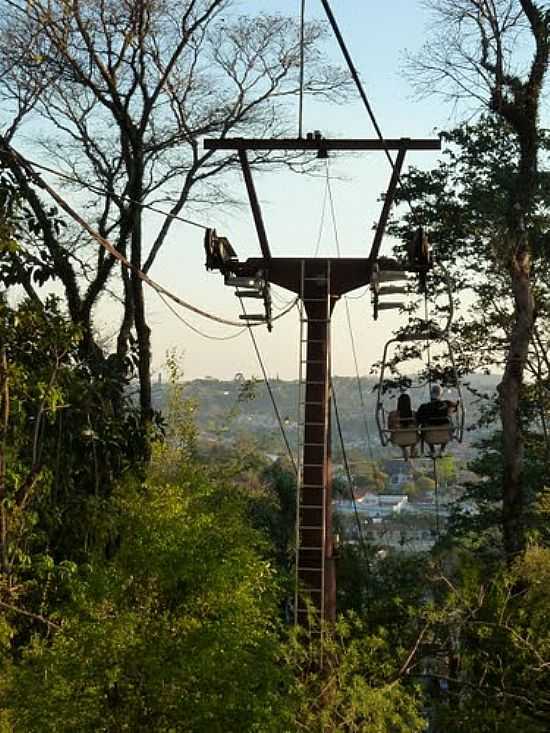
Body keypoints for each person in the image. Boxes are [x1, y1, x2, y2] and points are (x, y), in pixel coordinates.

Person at [416, 384, 459, 456]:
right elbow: (455, 408)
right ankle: (442, 449)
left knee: (425, 426)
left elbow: (418, 419)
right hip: (445, 435)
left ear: (431, 394)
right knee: (449, 424)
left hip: (429, 436)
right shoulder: (447, 404)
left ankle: (432, 450)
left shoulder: (424, 407)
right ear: (440, 394)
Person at [387, 393, 418, 460]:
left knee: (399, 434)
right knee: (417, 434)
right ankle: (412, 449)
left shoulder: (392, 414)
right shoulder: (413, 414)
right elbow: (417, 426)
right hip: (412, 439)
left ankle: (403, 449)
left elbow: (389, 427)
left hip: (397, 439)